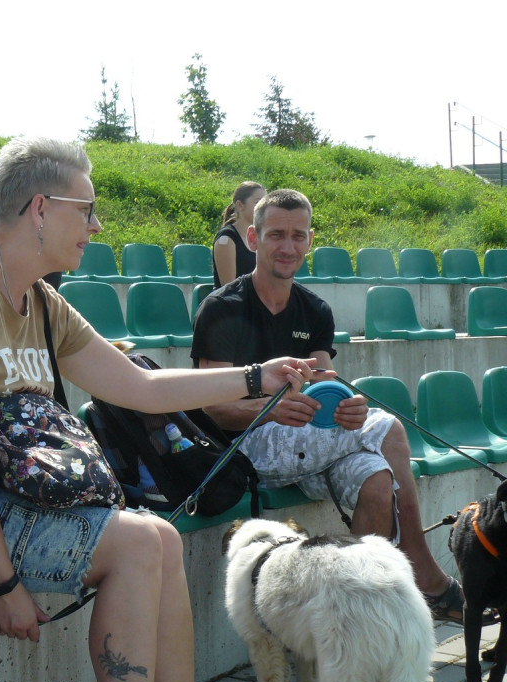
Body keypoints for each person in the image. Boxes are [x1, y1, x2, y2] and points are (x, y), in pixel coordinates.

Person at [0, 136, 318, 682]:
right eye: (85, 208)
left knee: (160, 539)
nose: (96, 224)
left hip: (6, 492)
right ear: (39, 208)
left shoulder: (39, 300)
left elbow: (139, 385)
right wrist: (1, 581)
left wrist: (257, 376)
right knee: (141, 542)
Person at [191, 187, 472, 624]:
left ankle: (355, 616)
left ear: (309, 240)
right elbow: (211, 409)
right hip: (247, 448)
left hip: (310, 443)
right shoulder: (221, 308)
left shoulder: (314, 310)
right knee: (390, 429)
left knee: (377, 480)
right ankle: (423, 571)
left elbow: (327, 385)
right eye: (276, 235)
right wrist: (271, 409)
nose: (288, 247)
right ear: (252, 238)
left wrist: (350, 409)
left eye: (299, 236)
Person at [211, 181, 265, 288]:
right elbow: (229, 289)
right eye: (257, 203)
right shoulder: (226, 238)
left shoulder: (262, 236)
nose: (263, 209)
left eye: (265, 204)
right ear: (240, 205)